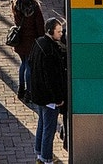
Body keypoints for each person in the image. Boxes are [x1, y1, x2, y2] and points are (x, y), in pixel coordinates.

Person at [26, 16, 68, 164]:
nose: (61, 34)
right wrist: (57, 98)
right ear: (51, 32)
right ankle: (46, 158)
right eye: (59, 32)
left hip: (38, 94)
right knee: (49, 129)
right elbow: (52, 78)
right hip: (48, 97)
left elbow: (30, 64)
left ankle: (39, 153)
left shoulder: (38, 43)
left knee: (42, 124)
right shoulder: (50, 51)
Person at [9, 0, 44, 100]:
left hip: (19, 40)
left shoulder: (16, 4)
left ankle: (21, 89)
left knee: (23, 64)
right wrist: (41, 39)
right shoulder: (35, 7)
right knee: (29, 66)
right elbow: (40, 25)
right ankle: (29, 91)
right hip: (31, 41)